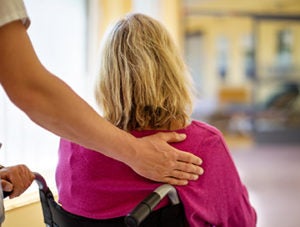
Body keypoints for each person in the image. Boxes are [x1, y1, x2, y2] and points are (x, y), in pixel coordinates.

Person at [56, 13, 257, 226]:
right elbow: (242, 221)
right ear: (171, 70)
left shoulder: (74, 139)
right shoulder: (204, 144)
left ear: (106, 76)